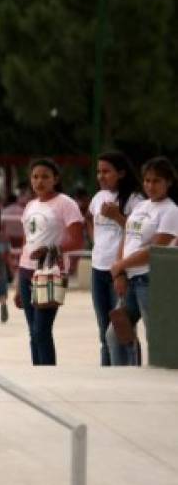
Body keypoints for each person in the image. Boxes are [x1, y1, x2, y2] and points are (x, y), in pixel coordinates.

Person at [107, 157, 178, 366]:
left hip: (151, 279)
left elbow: (156, 248)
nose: (150, 185)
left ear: (169, 183)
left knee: (155, 334)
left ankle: (162, 376)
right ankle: (124, 374)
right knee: (116, 332)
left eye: (156, 181)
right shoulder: (140, 206)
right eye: (147, 180)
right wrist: (120, 272)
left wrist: (121, 265)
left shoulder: (171, 210)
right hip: (131, 277)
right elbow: (126, 236)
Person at [14, 158, 84, 366]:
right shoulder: (30, 206)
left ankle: (49, 375)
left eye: (45, 176)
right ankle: (38, 373)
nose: (39, 181)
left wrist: (52, 250)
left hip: (51, 272)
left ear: (56, 179)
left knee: (42, 330)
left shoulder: (66, 203)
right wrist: (18, 285)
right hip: (27, 271)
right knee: (32, 331)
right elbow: (26, 244)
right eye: (35, 177)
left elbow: (77, 240)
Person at [87, 151, 143, 366]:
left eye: (107, 172)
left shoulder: (135, 200)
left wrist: (117, 217)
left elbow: (138, 233)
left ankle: (129, 367)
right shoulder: (98, 198)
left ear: (121, 173)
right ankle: (106, 370)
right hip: (98, 268)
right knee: (103, 328)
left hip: (120, 271)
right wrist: (97, 244)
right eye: (99, 172)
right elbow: (90, 221)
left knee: (121, 327)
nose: (101, 176)